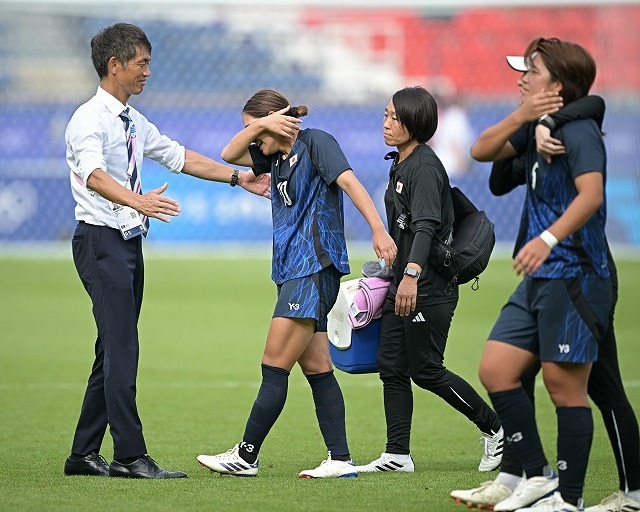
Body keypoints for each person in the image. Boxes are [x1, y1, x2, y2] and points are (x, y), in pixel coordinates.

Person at [63, 23, 271, 479]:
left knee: (112, 348)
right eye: (141, 63)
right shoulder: (88, 119)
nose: (147, 72)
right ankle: (129, 456)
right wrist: (139, 201)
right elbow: (94, 175)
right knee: (123, 348)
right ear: (114, 65)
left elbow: (180, 156)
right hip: (101, 241)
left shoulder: (132, 120)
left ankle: (82, 455)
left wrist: (240, 178)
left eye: (148, 63)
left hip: (126, 242)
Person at [196, 88, 397, 478]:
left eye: (256, 128)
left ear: (278, 120)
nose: (254, 139)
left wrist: (377, 229)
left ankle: (246, 456)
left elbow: (352, 184)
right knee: (319, 367)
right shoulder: (273, 154)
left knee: (274, 364)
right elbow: (229, 154)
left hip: (314, 267)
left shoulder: (316, 142)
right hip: (292, 269)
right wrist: (263, 126)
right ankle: (340, 459)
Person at [451, 97, 640, 512]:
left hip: (580, 273)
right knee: (514, 375)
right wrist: (527, 126)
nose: (521, 82)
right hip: (546, 276)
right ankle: (521, 478)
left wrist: (548, 119)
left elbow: (596, 103)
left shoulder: (573, 125)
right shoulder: (536, 128)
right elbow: (499, 178)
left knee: (600, 389)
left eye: (529, 73)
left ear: (554, 84)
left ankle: (606, 492)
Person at [354, 86, 504, 476]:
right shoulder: (402, 161)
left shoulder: (423, 166)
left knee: (425, 368)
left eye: (395, 118)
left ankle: (496, 428)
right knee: (390, 364)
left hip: (426, 288)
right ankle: (397, 454)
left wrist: (410, 276)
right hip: (402, 281)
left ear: (416, 124)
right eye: (385, 115)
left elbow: (425, 227)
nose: (386, 124)